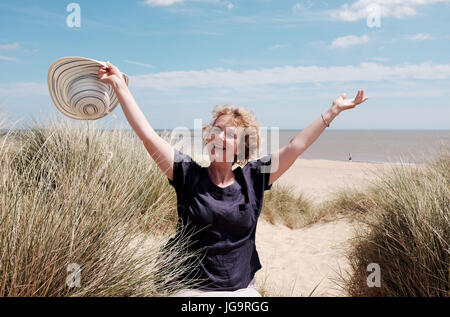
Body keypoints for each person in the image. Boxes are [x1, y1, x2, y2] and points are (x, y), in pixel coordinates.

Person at [98, 62, 369, 296]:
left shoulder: (254, 178)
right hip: (190, 287)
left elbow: (295, 146)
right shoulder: (187, 174)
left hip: (241, 290)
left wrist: (333, 111)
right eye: (216, 130)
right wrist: (120, 86)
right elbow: (147, 135)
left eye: (229, 134)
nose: (219, 137)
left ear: (241, 147)